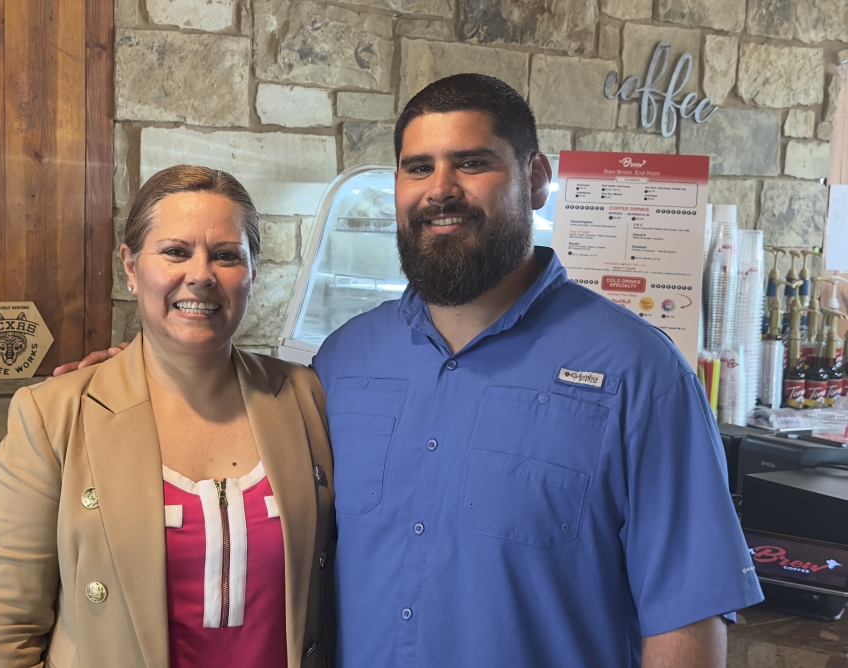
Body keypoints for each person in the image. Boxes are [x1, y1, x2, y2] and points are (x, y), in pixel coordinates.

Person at [60, 75, 763, 667]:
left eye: (473, 163)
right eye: (418, 168)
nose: (441, 190)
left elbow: (688, 616)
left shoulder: (638, 373)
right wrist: (138, 376)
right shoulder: (339, 367)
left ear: (537, 179)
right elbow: (231, 433)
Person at [0, 166, 335, 668]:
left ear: (254, 271)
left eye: (227, 255)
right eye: (176, 251)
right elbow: (6, 626)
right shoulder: (54, 416)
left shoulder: (304, 397)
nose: (201, 274)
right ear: (131, 266)